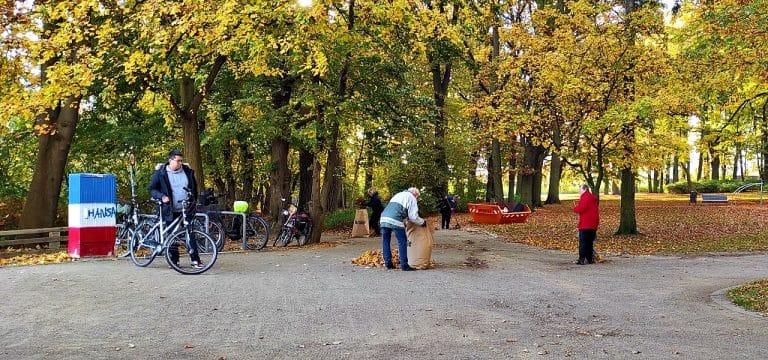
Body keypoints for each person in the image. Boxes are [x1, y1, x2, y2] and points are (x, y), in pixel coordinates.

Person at [149, 150, 203, 269]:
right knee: (172, 235)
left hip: (186, 208)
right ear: (170, 160)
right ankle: (174, 260)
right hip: (170, 209)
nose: (179, 163)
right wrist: (162, 197)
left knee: (190, 233)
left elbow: (194, 188)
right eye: (177, 161)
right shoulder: (161, 173)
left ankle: (195, 260)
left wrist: (193, 201)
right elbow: (152, 189)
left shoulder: (187, 171)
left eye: (181, 161)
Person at [379, 187, 426, 271]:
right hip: (395, 219)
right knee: (402, 241)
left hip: (383, 218)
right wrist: (422, 222)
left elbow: (397, 209)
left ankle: (388, 263)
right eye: (417, 197)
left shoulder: (398, 195)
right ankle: (404, 265)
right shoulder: (412, 198)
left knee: (385, 240)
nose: (417, 199)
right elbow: (413, 217)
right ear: (415, 194)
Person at [573, 184, 599, 265]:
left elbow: (582, 208)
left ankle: (581, 259)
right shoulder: (593, 197)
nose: (579, 191)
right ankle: (589, 259)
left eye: (580, 189)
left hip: (585, 223)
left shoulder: (584, 197)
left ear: (585, 189)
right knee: (589, 242)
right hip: (593, 223)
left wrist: (575, 208)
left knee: (583, 242)